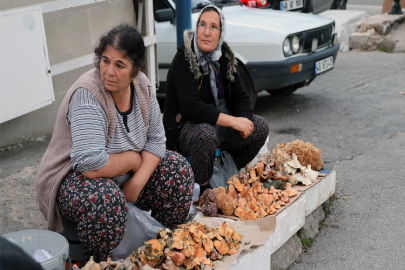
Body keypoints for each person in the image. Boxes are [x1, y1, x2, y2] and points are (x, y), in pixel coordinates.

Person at [35, 24, 194, 262]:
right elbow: (89, 165)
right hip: (73, 178)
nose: (109, 71)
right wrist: (132, 159)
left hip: (124, 178)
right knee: (106, 201)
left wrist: (137, 183)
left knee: (178, 170)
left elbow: (157, 140)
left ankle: (161, 254)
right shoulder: (89, 92)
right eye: (105, 60)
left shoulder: (142, 86)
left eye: (120, 65)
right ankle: (97, 263)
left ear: (135, 71)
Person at [163, 5, 269, 192]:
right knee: (205, 134)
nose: (206, 32)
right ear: (196, 29)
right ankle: (203, 190)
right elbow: (191, 108)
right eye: (202, 25)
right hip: (189, 130)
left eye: (214, 27)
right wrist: (232, 121)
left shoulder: (225, 58)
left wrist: (244, 120)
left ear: (221, 33)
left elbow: (241, 97)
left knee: (259, 127)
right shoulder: (183, 60)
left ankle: (228, 173)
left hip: (220, 128)